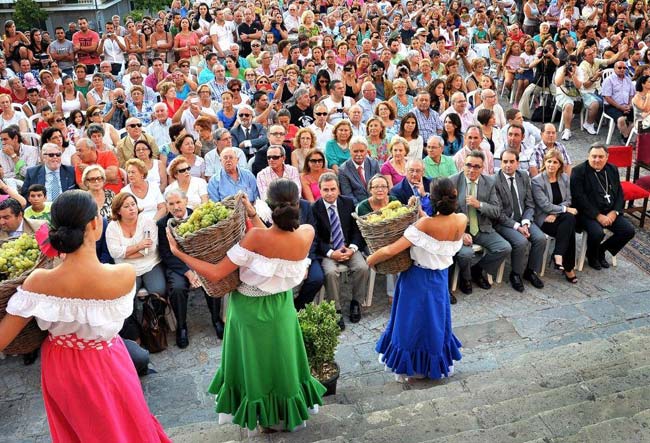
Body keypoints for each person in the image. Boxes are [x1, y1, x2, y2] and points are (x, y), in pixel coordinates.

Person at [0, 191, 171, 442]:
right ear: (94, 223)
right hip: (108, 361)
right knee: (123, 427)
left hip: (60, 367)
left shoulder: (38, 281)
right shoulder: (122, 275)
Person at [165, 179, 326, 431]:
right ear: (296, 204)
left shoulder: (254, 236)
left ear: (269, 205)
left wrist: (180, 254)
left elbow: (218, 273)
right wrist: (253, 215)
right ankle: (285, 415)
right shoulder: (307, 233)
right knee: (281, 362)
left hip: (248, 310)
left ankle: (261, 418)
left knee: (255, 367)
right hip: (282, 308)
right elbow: (277, 245)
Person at [368, 178, 466, 382]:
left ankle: (409, 366)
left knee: (409, 324)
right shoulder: (461, 220)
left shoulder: (424, 225)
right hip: (440, 279)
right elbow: (435, 233)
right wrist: (421, 211)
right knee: (435, 322)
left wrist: (370, 259)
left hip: (416, 279)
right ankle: (433, 364)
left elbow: (390, 249)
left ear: (434, 199)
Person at [157, 188, 223, 347]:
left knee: (211, 280)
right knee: (178, 288)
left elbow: (206, 245)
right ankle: (181, 327)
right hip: (178, 266)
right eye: (171, 203)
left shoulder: (197, 216)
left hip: (199, 261)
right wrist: (188, 272)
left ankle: (216, 320)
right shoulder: (162, 224)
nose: (175, 207)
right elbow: (166, 254)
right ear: (166, 205)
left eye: (178, 202)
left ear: (186, 201)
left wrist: (197, 269)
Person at [449, 151, 511, 295]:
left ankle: (478, 270)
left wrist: (479, 205)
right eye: (468, 165)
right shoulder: (453, 181)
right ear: (463, 165)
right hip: (460, 230)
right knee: (465, 255)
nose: (472, 170)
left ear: (482, 168)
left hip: (482, 228)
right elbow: (446, 213)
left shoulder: (489, 182)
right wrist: (461, 232)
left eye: (477, 167)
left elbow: (496, 211)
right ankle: (465, 279)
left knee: (504, 248)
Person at [313, 172, 369, 329]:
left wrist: (352, 248)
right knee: (330, 273)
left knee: (362, 267)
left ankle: (356, 303)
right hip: (327, 250)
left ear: (338, 189)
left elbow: (357, 230)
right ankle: (336, 309)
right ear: (320, 190)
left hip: (347, 246)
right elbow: (315, 238)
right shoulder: (314, 208)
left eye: (333, 189)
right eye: (326, 190)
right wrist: (331, 253)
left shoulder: (348, 203)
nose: (330, 193)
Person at [570, 144, 635, 270]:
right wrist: (597, 216)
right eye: (594, 156)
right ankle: (592, 256)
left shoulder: (612, 169)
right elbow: (579, 198)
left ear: (607, 157)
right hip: (587, 214)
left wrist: (615, 212)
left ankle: (601, 250)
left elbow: (619, 193)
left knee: (628, 231)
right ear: (588, 156)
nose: (597, 160)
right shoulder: (578, 171)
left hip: (609, 211)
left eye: (601, 157)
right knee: (597, 232)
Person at [494, 150, 546, 292]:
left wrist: (525, 222)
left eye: (511, 162)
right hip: (505, 222)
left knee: (540, 238)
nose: (508, 165)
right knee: (521, 241)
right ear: (501, 162)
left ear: (517, 163)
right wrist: (517, 226)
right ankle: (515, 274)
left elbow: (530, 204)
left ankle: (530, 271)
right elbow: (498, 213)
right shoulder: (495, 180)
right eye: (505, 162)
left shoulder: (523, 176)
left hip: (524, 219)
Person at [532, 149, 578, 283]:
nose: (551, 165)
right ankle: (568, 268)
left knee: (569, 221)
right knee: (569, 223)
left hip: (557, 217)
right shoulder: (537, 181)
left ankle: (558, 254)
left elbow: (569, 199)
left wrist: (556, 214)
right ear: (544, 162)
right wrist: (564, 209)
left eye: (555, 162)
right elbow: (544, 205)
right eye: (549, 161)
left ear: (560, 165)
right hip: (544, 219)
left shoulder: (564, 178)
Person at [338, 136, 380, 205]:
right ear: (350, 151)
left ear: (366, 150)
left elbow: (379, 186)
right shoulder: (343, 170)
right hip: (357, 208)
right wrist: (362, 209)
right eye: (355, 151)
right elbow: (348, 195)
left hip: (377, 203)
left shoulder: (374, 163)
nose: (359, 154)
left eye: (362, 151)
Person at [601, 61, 636, 142]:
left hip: (626, 105)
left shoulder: (628, 79)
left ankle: (626, 135)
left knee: (639, 118)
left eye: (624, 68)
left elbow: (631, 94)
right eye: (619, 68)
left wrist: (629, 105)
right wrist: (620, 107)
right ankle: (627, 138)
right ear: (614, 69)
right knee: (621, 120)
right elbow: (607, 97)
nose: (622, 69)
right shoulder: (608, 80)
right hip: (611, 106)